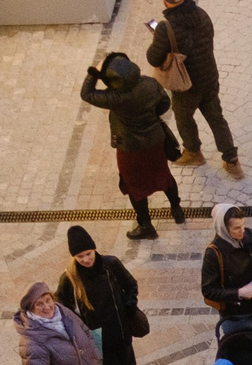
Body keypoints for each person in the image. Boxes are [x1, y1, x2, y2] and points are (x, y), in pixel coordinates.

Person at [55, 227, 158, 365]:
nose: (86, 259)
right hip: (97, 339)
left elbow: (131, 284)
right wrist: (78, 329)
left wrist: (129, 304)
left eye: (88, 253)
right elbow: (62, 308)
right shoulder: (69, 278)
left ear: (94, 249)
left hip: (121, 330)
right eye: (80, 256)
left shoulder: (111, 264)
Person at [79, 53, 185, 240]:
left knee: (134, 185)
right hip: (155, 141)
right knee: (163, 174)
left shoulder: (116, 97)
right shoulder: (149, 83)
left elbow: (86, 93)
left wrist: (94, 72)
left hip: (130, 149)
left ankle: (146, 225)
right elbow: (164, 104)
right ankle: (177, 210)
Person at [147, 0, 239, 176]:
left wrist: (159, 38)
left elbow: (153, 58)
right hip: (209, 76)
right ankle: (231, 160)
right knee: (216, 117)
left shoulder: (166, 28)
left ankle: (193, 152)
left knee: (183, 117)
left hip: (186, 84)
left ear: (165, 2)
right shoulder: (201, 13)